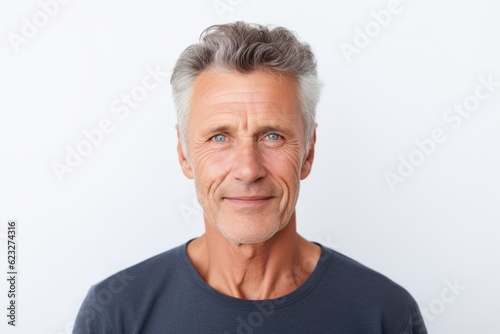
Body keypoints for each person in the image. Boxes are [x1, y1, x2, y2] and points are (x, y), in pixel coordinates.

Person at [73, 21, 427, 333]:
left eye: (272, 135)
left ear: (308, 151)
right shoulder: (114, 314)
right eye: (219, 137)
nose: (248, 169)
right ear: (184, 154)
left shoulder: (385, 314)